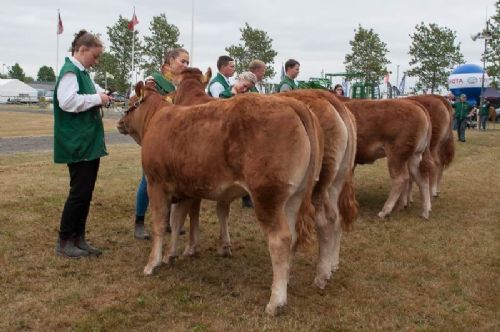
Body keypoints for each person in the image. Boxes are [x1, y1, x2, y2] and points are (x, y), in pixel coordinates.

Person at [53, 30, 111, 258]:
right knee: (78, 193)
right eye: (94, 56)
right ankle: (65, 240)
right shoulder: (70, 72)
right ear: (82, 50)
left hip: (88, 141)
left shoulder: (83, 73)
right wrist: (98, 99)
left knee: (85, 193)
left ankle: (79, 238)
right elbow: (67, 101)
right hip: (77, 142)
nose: (95, 61)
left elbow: (93, 91)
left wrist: (103, 94)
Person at [134, 48, 190, 239]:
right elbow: (147, 103)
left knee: (175, 179)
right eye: (183, 61)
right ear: (170, 61)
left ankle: (167, 222)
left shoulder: (183, 83)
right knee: (148, 179)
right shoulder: (153, 80)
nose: (185, 65)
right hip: (156, 135)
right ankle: (139, 222)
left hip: (177, 136)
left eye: (187, 62)